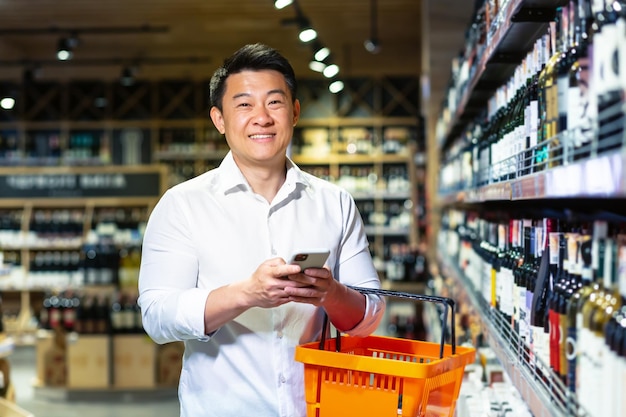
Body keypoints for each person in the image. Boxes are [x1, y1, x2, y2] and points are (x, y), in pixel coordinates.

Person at [138, 43, 386, 417]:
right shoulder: (182, 205)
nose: (261, 117)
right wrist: (246, 293)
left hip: (318, 407)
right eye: (244, 104)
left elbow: (369, 316)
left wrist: (330, 292)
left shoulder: (334, 203)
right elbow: (157, 316)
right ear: (219, 119)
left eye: (274, 102)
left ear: (295, 111)